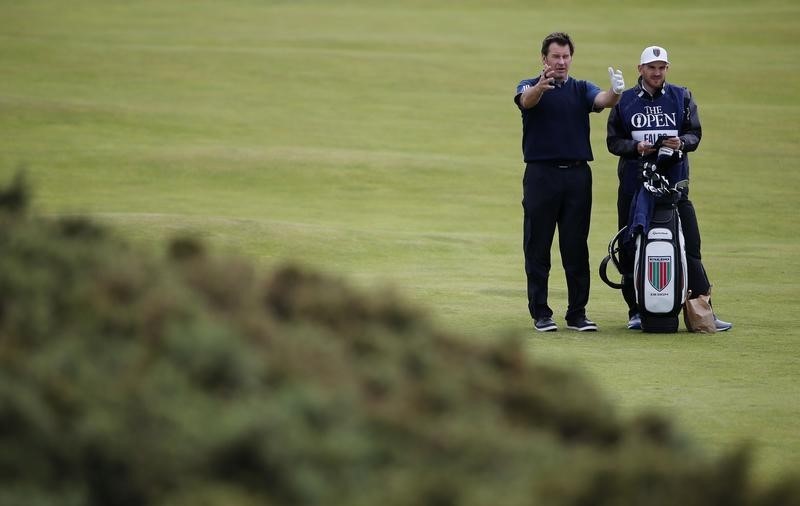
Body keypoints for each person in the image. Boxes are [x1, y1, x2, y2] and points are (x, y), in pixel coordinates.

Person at [606, 45, 732, 331]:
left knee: (691, 246)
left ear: (667, 69)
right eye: (651, 67)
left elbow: (694, 134)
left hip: (674, 186)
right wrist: (636, 147)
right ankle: (635, 311)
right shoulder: (625, 101)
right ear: (641, 70)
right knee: (630, 246)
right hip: (635, 186)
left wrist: (682, 143)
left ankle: (702, 311)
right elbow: (613, 142)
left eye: (662, 67)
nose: (657, 72)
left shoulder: (681, 96)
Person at [514, 32, 625, 332]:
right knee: (537, 245)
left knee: (576, 247)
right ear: (544, 59)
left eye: (566, 57)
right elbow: (527, 101)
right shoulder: (529, 84)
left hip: (577, 176)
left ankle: (577, 313)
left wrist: (616, 93)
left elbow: (601, 100)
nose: (561, 62)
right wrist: (540, 86)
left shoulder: (580, 88)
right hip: (541, 175)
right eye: (556, 57)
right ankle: (541, 313)